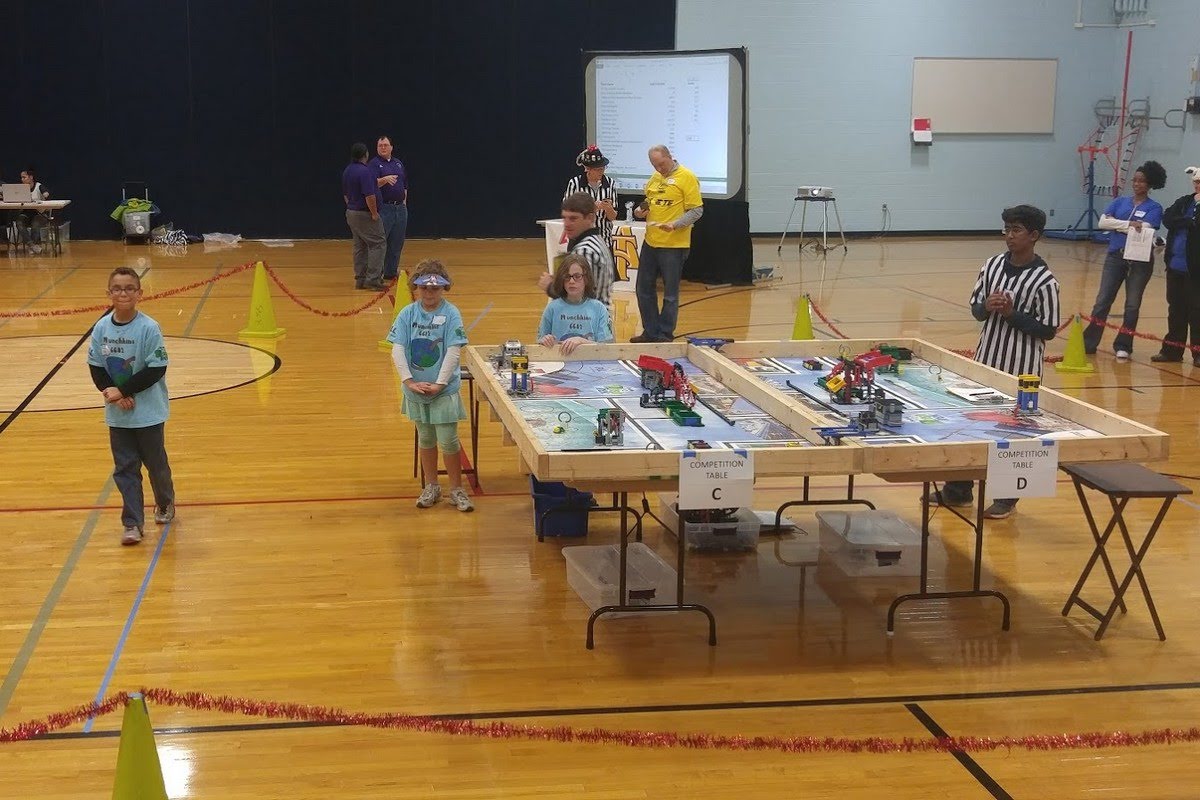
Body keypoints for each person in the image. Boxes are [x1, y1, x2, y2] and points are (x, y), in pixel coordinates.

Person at [928, 205, 1060, 520]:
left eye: (1016, 230)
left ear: (1034, 235)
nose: (1009, 236)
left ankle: (1006, 498)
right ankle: (957, 491)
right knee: (970, 425)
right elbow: (976, 310)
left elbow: (1048, 330)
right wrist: (987, 307)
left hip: (1023, 368)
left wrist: (1012, 314)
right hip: (986, 361)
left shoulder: (1045, 280)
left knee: (1012, 432)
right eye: (1006, 229)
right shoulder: (991, 266)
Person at [86, 267, 177, 545]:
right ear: (109, 293)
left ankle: (165, 502)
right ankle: (132, 523)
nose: (122, 293)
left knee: (156, 464)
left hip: (148, 414)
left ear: (139, 294)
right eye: (117, 288)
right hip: (119, 415)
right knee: (125, 467)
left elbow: (157, 368)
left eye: (128, 288)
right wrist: (112, 394)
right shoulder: (101, 328)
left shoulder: (148, 328)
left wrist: (124, 389)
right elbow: (96, 367)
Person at [387, 259, 474, 512]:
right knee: (425, 437)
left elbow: (454, 351)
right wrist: (409, 380)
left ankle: (457, 488)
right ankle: (432, 486)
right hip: (416, 390)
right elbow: (398, 349)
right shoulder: (407, 314)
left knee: (448, 440)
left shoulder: (451, 314)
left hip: (442, 391)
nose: (429, 293)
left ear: (443, 289)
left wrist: (439, 383)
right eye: (424, 288)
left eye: (435, 288)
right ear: (416, 288)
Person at [1083, 160, 1166, 359]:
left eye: (1142, 181)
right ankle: (1089, 342)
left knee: (1132, 305)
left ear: (1150, 184)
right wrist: (1128, 224)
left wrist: (1117, 224)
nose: (1137, 184)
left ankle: (1124, 344)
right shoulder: (1120, 202)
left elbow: (1146, 228)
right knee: (1102, 301)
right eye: (1135, 180)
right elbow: (1103, 222)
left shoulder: (1155, 207)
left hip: (1139, 261)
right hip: (1115, 257)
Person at [630, 145, 703, 343]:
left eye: (661, 164)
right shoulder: (655, 179)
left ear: (670, 157)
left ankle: (664, 334)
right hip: (651, 242)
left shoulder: (686, 177)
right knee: (643, 289)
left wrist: (676, 224)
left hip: (674, 245)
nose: (659, 169)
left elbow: (696, 211)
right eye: (655, 166)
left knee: (670, 294)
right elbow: (649, 202)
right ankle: (650, 332)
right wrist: (639, 211)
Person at [1150, 167, 1200, 366]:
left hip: (1195, 270)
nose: (1197, 186)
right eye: (1196, 182)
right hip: (1175, 266)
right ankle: (1172, 350)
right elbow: (1169, 218)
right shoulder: (1185, 201)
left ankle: (1198, 353)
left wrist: (1190, 221)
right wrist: (1187, 221)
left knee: (1196, 311)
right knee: (1176, 309)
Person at [536, 192, 615, 310]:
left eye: (573, 218)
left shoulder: (585, 250)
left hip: (587, 324)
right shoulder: (596, 241)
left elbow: (577, 299)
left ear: (590, 218)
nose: (566, 224)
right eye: (564, 218)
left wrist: (549, 287)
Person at [538, 254, 614, 354]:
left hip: (591, 363)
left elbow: (608, 348)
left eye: (577, 276)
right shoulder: (552, 308)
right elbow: (539, 345)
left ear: (586, 279)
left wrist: (581, 341)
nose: (571, 281)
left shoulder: (599, 309)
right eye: (567, 277)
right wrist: (544, 341)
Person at [342, 142, 386, 291]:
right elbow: (370, 195)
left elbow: (346, 195)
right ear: (365, 154)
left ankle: (360, 279)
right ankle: (373, 279)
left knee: (359, 245)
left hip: (351, 212)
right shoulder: (365, 172)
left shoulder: (348, 170)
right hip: (364, 213)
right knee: (378, 243)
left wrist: (351, 207)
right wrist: (373, 213)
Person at [368, 135, 408, 281]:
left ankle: (391, 271)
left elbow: (404, 185)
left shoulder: (398, 163)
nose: (383, 148)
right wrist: (383, 180)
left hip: (400, 209)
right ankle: (375, 274)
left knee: (397, 242)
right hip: (385, 208)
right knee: (380, 243)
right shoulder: (374, 164)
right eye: (380, 145)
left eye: (385, 145)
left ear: (391, 147)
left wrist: (404, 204)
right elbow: (370, 185)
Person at [564, 145, 617, 246]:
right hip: (579, 240)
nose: (602, 172)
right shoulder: (575, 183)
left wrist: (608, 208)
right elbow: (568, 212)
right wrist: (592, 208)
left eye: (603, 168)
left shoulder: (610, 183)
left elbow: (612, 217)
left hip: (604, 240)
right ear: (587, 169)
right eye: (598, 169)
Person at [8, 168, 50, 254]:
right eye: (21, 178)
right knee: (19, 222)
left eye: (24, 177)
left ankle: (33, 246)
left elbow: (46, 194)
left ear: (31, 177)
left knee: (35, 224)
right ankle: (32, 246)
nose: (22, 179)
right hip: (27, 214)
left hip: (40, 214)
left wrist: (45, 195)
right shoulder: (20, 190)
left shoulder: (39, 186)